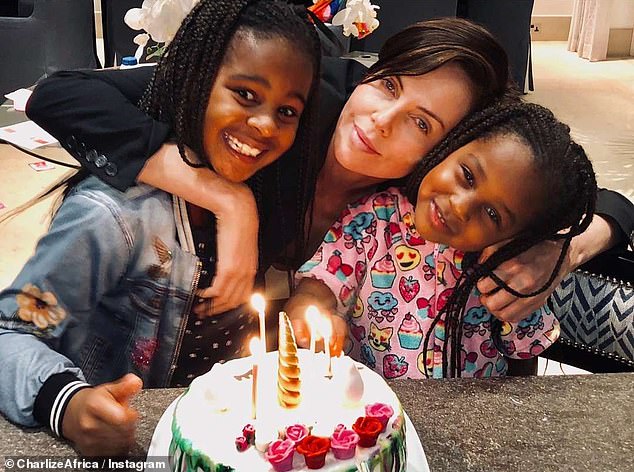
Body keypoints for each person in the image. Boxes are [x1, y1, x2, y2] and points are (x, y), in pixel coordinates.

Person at [26, 18, 634, 323]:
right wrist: (225, 198)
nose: (378, 119)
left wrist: (566, 251)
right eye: (388, 86)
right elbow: (60, 95)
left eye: (422, 124)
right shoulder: (301, 98)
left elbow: (606, 199)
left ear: (445, 152)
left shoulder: (423, 198)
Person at [0, 0, 321, 456]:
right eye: (245, 95)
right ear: (194, 81)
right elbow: (11, 333)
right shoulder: (112, 219)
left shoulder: (267, 191)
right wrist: (66, 402)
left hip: (224, 440)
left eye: (287, 112)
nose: (265, 125)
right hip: (136, 443)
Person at [286, 101, 597, 379]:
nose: (460, 206)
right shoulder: (373, 219)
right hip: (372, 421)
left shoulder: (510, 271)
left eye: (491, 214)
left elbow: (523, 358)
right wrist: (312, 316)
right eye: (467, 175)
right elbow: (317, 288)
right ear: (453, 145)